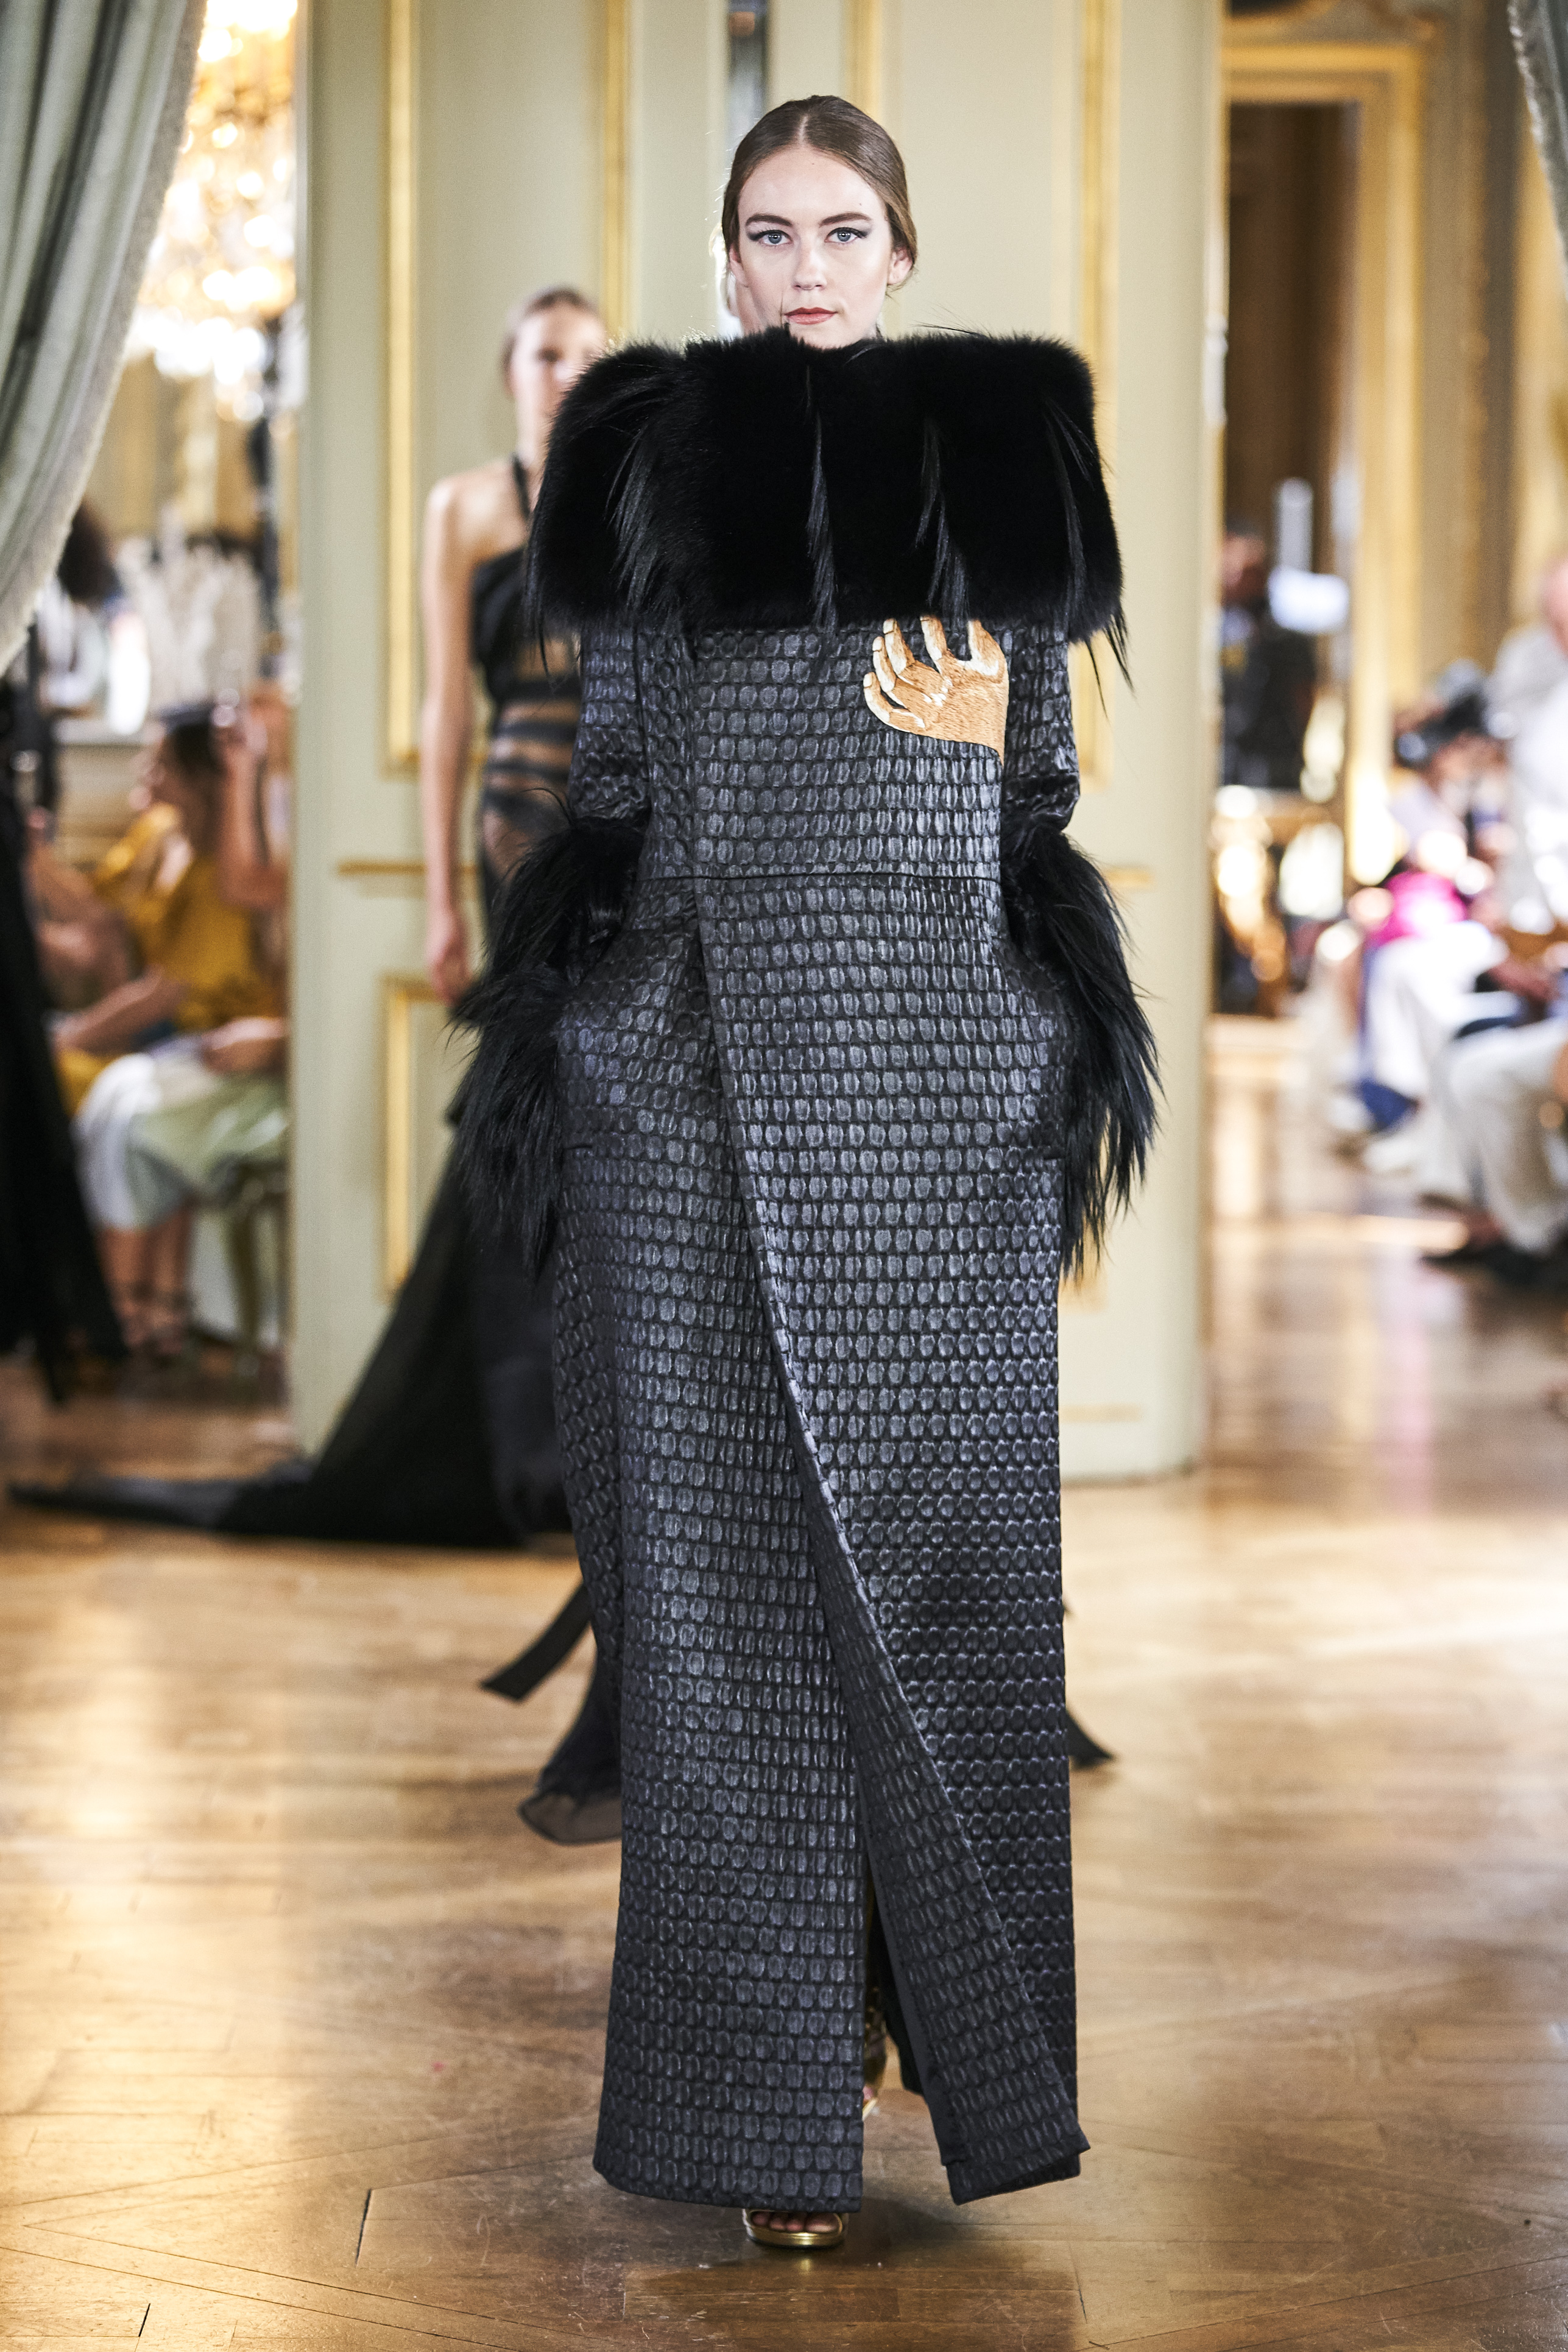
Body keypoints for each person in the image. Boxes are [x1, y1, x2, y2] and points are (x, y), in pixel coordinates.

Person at [461, 97, 1154, 2250]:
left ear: (903, 251)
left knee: (944, 1584)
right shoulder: (646, 451)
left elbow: (1039, 789)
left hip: (933, 1086)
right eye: (770, 235)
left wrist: (976, 745)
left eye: (845, 232)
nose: (808, 271)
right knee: (722, 1605)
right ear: (731, 256)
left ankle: (928, 2030)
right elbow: (615, 783)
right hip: (684, 1084)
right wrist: (597, 1032)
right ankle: (770, 2115)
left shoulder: (1004, 443)